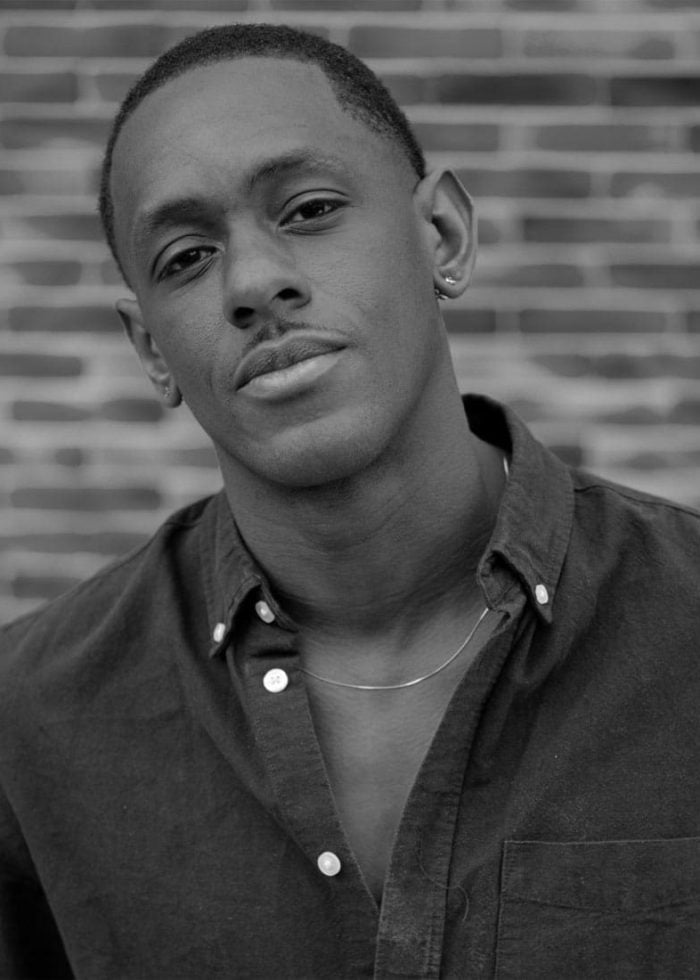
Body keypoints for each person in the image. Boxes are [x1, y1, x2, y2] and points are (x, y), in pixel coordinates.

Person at [1, 23, 699, 980]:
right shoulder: (31, 723)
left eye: (310, 208)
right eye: (186, 258)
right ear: (152, 350)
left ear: (442, 237)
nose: (254, 282)